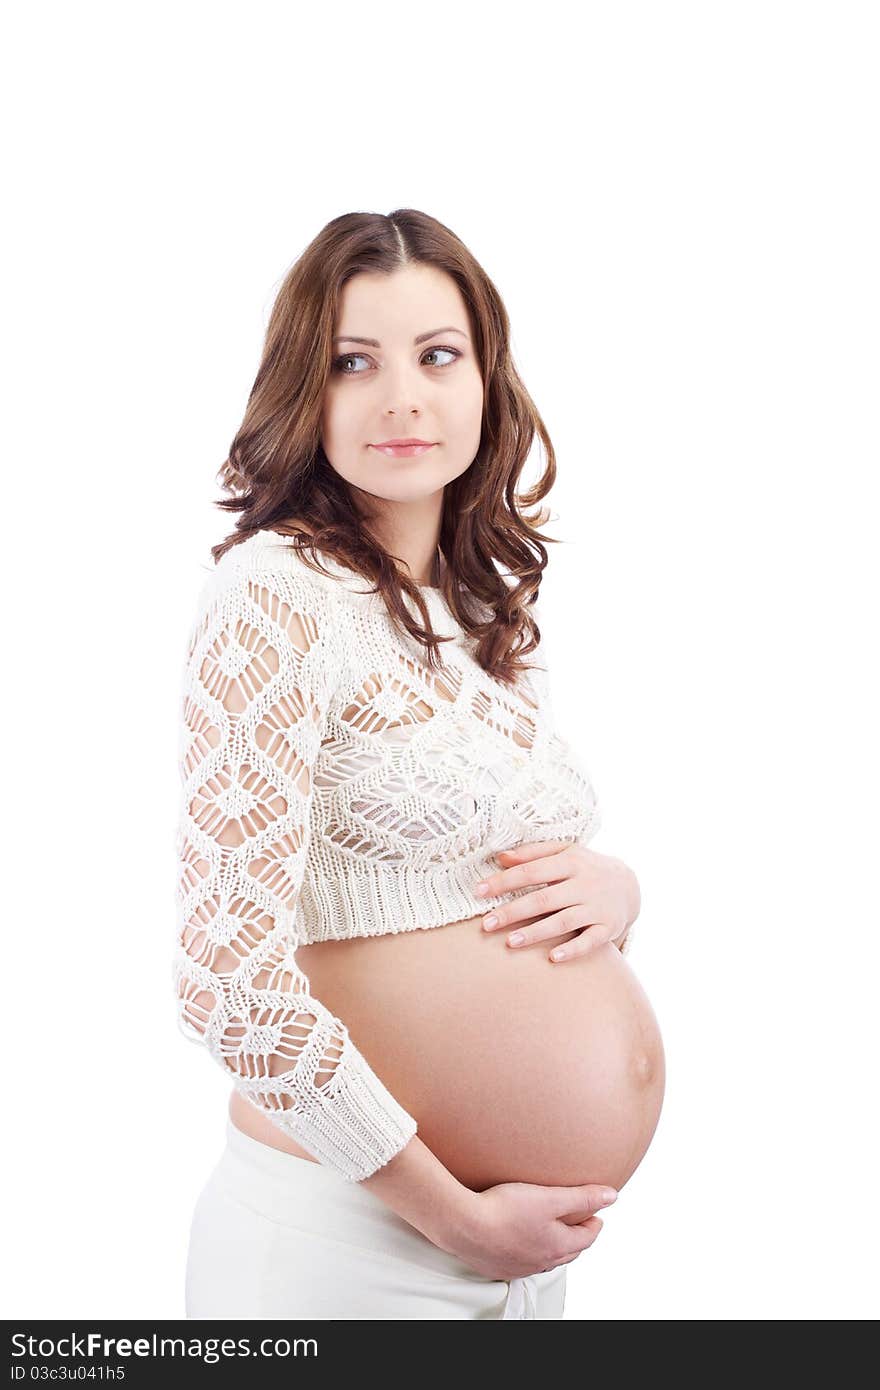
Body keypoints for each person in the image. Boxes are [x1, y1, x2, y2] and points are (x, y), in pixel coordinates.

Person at [174, 208, 662, 1321]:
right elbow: (225, 982)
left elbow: (465, 884)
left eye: (437, 355)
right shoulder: (274, 595)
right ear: (307, 391)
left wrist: (613, 894)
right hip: (344, 1244)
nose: (403, 397)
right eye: (355, 362)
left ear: (485, 377)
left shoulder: (479, 607)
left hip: (514, 1259)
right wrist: (447, 1213)